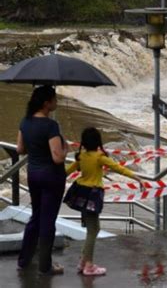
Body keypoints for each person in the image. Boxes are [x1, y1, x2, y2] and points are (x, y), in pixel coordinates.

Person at [65, 127, 142, 276]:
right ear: (97, 142)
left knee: (92, 228)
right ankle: (89, 265)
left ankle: (83, 261)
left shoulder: (81, 156)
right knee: (93, 230)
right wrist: (137, 178)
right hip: (93, 195)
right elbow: (118, 168)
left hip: (80, 192)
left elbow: (67, 171)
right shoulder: (99, 157)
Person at [16, 86, 68, 275]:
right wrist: (66, 148)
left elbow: (20, 149)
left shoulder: (25, 122)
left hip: (33, 175)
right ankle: (45, 266)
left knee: (36, 216)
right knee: (48, 220)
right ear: (46, 103)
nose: (56, 102)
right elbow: (57, 157)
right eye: (54, 99)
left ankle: (23, 260)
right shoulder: (50, 126)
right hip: (52, 177)